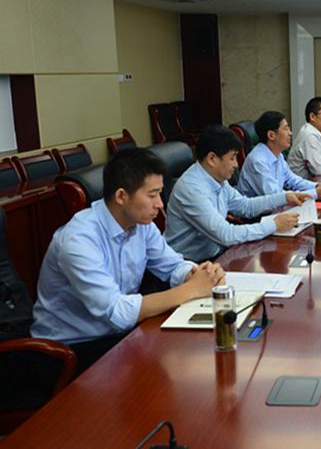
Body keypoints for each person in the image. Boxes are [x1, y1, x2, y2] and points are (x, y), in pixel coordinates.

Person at [31, 148, 226, 373]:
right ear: (121, 196)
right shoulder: (78, 240)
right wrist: (190, 290)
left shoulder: (141, 224)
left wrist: (197, 274)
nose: (160, 204)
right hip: (71, 349)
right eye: (152, 195)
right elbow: (116, 311)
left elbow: (172, 265)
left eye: (160, 193)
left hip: (119, 335)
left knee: (194, 356)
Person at [166, 125, 309, 262]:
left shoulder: (217, 179)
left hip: (218, 255)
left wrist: (285, 197)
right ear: (212, 159)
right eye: (232, 158)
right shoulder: (192, 189)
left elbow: (246, 206)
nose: (236, 164)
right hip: (189, 265)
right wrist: (274, 224)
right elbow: (225, 235)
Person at [238, 110, 321, 200]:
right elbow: (275, 196)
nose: (290, 133)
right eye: (285, 128)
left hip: (276, 208)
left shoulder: (277, 155)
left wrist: (317, 186)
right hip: (260, 212)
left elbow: (292, 180)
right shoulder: (258, 161)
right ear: (271, 135)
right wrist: (315, 193)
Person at [287, 96, 321, 179]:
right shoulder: (308, 134)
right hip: (299, 184)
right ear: (312, 116)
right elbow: (319, 170)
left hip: (316, 180)